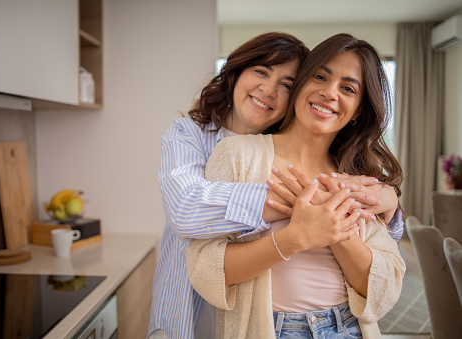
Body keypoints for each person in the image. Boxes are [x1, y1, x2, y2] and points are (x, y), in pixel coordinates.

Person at [150, 32, 403, 339]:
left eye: (348, 88)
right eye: (320, 77)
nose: (329, 92)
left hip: (348, 328)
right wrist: (298, 230)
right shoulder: (225, 149)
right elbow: (188, 216)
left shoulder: (356, 173)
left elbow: (384, 285)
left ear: (359, 109)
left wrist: (374, 206)